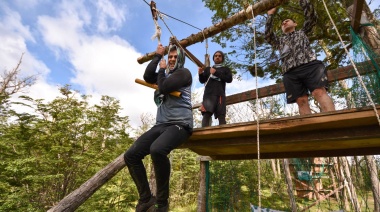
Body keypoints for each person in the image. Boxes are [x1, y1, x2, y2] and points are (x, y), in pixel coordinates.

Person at [124, 43, 193, 212]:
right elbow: (148, 76)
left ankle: (162, 203)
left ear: (181, 59)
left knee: (157, 150)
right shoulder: (165, 75)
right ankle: (146, 198)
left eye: (175, 57)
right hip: (161, 124)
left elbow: (164, 87)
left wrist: (161, 71)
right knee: (131, 155)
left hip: (180, 124)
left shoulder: (184, 73)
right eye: (169, 56)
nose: (171, 59)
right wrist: (157, 56)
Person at [265, 0, 335, 115]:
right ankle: (310, 131)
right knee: (301, 100)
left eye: (287, 21)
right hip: (290, 72)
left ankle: (334, 121)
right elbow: (268, 35)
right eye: (282, 23)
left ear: (295, 24)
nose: (284, 23)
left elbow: (311, 16)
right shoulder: (279, 41)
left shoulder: (303, 32)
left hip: (310, 66)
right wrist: (270, 15)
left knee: (319, 92)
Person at [198, 51, 233, 127]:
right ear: (213, 58)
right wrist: (200, 74)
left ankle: (223, 135)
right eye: (216, 56)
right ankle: (204, 135)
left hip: (220, 95)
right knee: (206, 115)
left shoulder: (225, 69)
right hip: (208, 96)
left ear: (222, 58)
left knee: (221, 115)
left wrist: (216, 73)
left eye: (219, 56)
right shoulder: (208, 69)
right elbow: (202, 80)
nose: (217, 57)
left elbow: (229, 79)